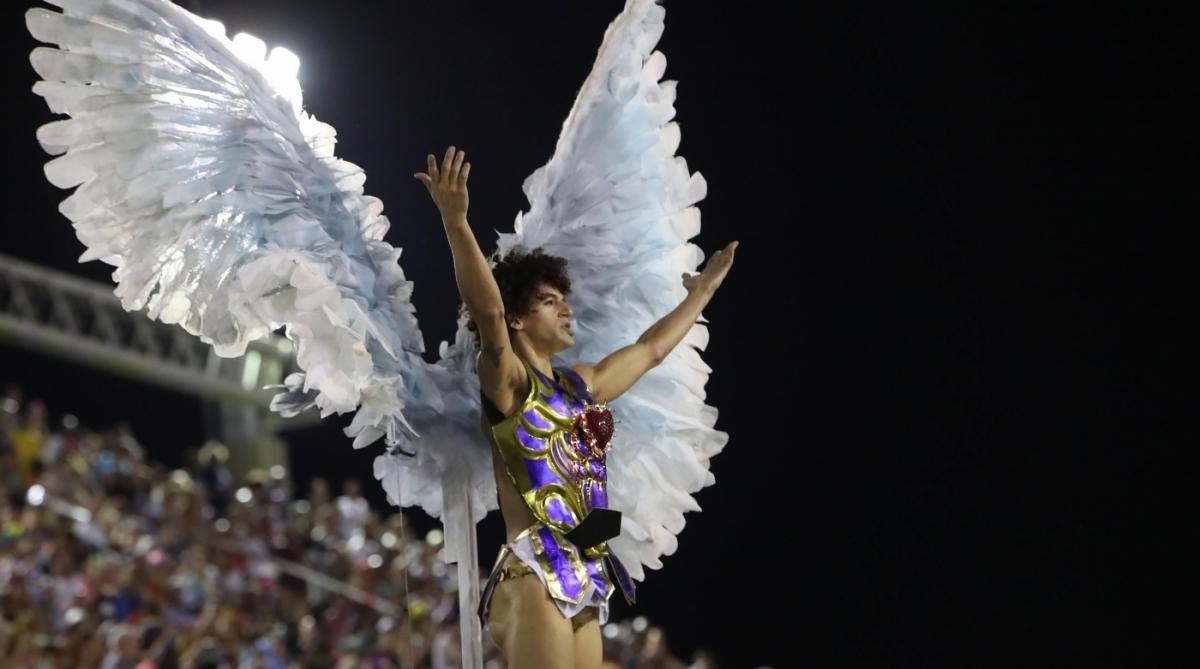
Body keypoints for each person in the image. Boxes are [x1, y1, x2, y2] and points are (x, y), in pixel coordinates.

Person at [416, 147, 737, 669]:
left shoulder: (581, 385)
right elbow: (488, 310)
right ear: (519, 320)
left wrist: (700, 295)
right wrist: (457, 223)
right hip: (531, 572)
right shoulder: (508, 384)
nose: (567, 308)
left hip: (586, 575)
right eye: (548, 300)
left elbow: (651, 350)